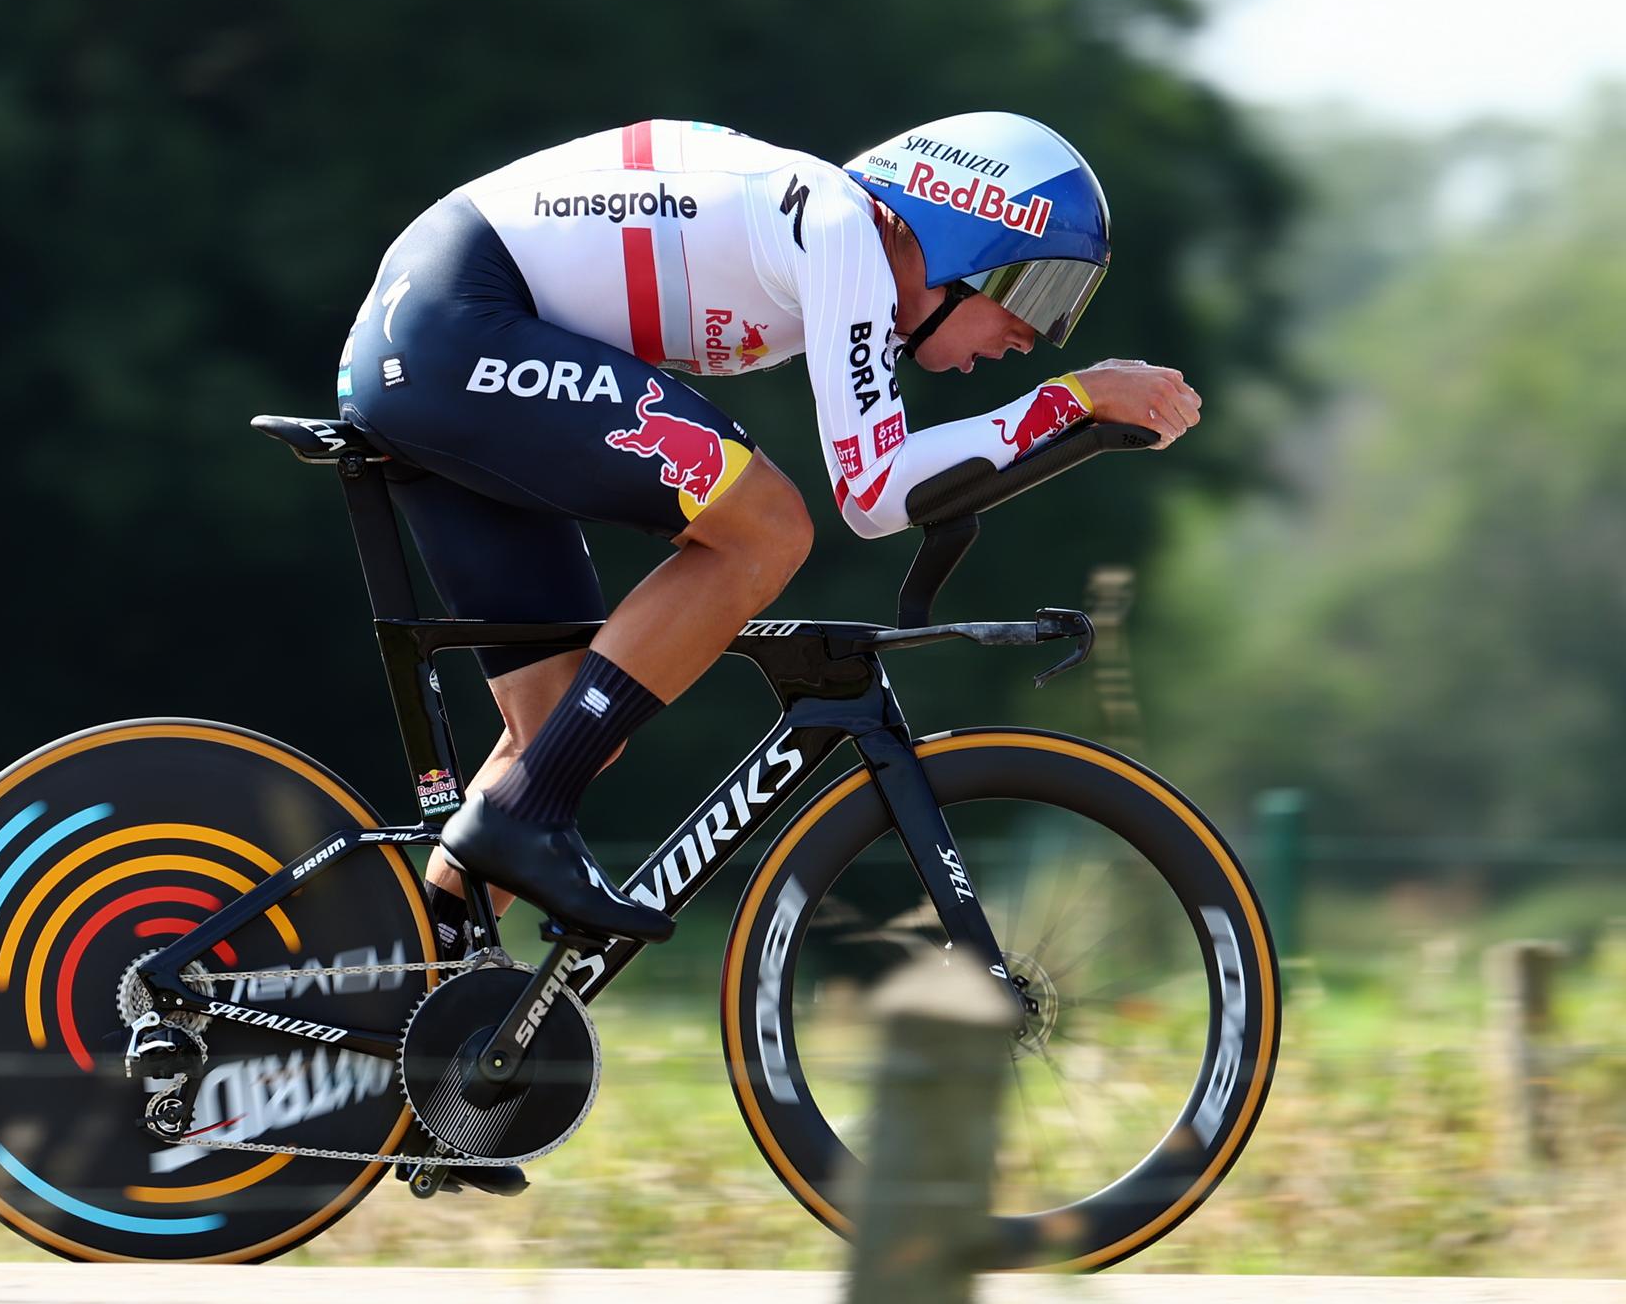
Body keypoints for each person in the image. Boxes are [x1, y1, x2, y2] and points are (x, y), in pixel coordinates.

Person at [339, 112, 1200, 958]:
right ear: (949, 234)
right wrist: (1071, 399)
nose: (1031, 336)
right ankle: (522, 821)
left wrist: (1068, 413)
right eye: (1030, 292)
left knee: (559, 733)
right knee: (767, 529)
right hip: (457, 323)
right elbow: (874, 492)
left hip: (441, 334)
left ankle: (415, 990)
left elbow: (889, 480)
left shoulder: (835, 235)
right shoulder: (844, 231)